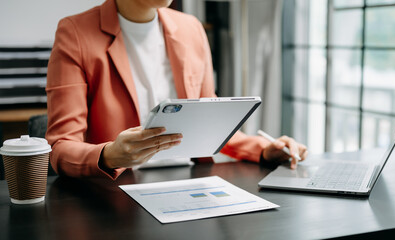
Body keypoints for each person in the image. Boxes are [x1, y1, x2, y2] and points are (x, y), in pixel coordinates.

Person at [46, 0, 308, 180]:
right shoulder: (75, 33)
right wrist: (109, 156)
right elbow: (60, 147)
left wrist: (263, 149)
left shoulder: (191, 28)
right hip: (115, 189)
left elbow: (209, 122)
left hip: (191, 181)